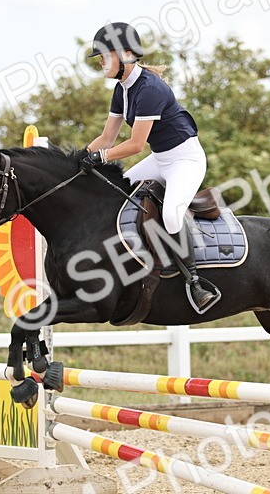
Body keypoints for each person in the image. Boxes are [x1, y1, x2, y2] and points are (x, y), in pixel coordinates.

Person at [81, 21, 220, 313]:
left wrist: (101, 158)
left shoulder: (150, 89)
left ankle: (195, 280)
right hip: (161, 158)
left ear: (127, 55)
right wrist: (79, 157)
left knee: (171, 214)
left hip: (185, 159)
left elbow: (134, 145)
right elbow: (107, 137)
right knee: (119, 196)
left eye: (105, 56)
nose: (102, 63)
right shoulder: (122, 89)